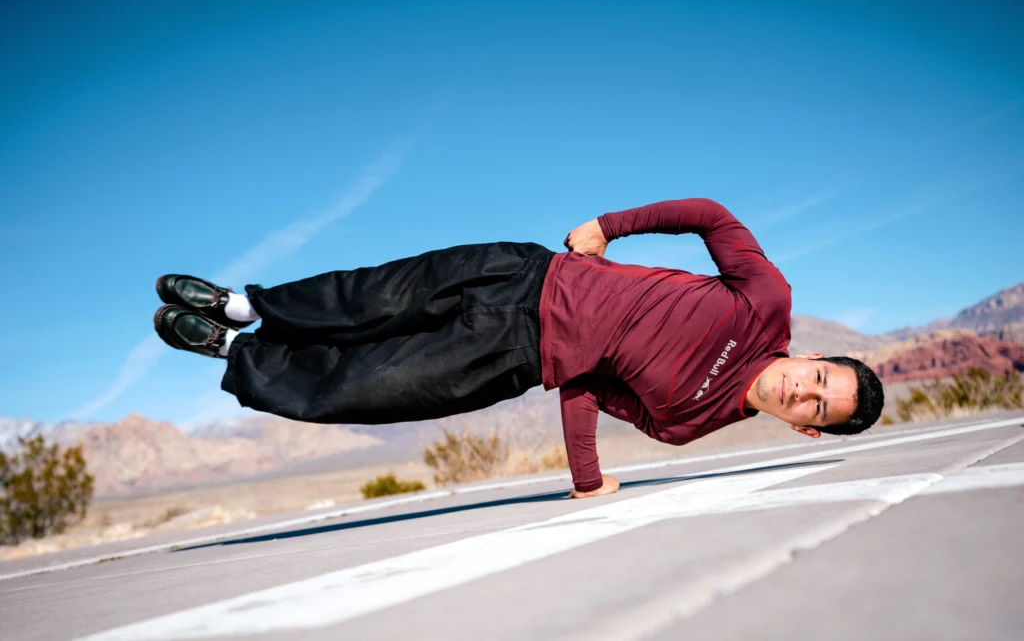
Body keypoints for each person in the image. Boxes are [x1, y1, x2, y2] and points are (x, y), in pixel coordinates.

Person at [153, 198, 884, 498]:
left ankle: (230, 351)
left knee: (368, 385)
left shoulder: (690, 421)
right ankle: (242, 304)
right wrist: (607, 226)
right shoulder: (766, 302)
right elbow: (711, 217)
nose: (803, 388)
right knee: (368, 296)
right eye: (820, 375)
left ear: (805, 427)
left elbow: (590, 388)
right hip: (527, 269)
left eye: (816, 404)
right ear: (816, 355)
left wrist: (588, 475)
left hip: (513, 356)